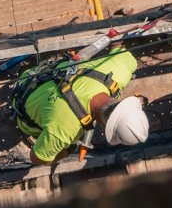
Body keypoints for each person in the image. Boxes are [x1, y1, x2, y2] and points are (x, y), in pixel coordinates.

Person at [10, 49, 149, 164]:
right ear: (104, 125)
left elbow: (124, 54)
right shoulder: (65, 132)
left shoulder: (119, 73)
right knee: (58, 143)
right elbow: (37, 158)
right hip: (20, 100)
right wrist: (69, 150)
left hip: (37, 73)